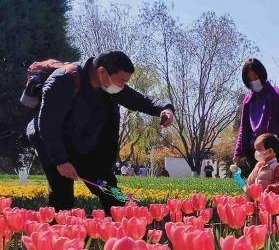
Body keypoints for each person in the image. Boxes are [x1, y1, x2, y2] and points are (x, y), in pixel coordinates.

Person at [27, 50, 174, 212]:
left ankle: (122, 229)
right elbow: (48, 125)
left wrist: (164, 109)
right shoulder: (63, 80)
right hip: (52, 144)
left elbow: (138, 100)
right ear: (102, 71)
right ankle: (58, 234)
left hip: (84, 147)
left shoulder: (109, 85)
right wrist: (61, 161)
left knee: (111, 192)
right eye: (122, 81)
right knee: (63, 197)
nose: (123, 86)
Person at [233, 58, 279, 179]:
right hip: (255, 152)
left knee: (277, 184)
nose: (253, 81)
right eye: (249, 79)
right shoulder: (248, 100)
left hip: (277, 151)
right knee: (258, 184)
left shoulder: (278, 95)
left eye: (255, 77)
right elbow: (244, 128)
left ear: (262, 75)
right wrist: (238, 152)